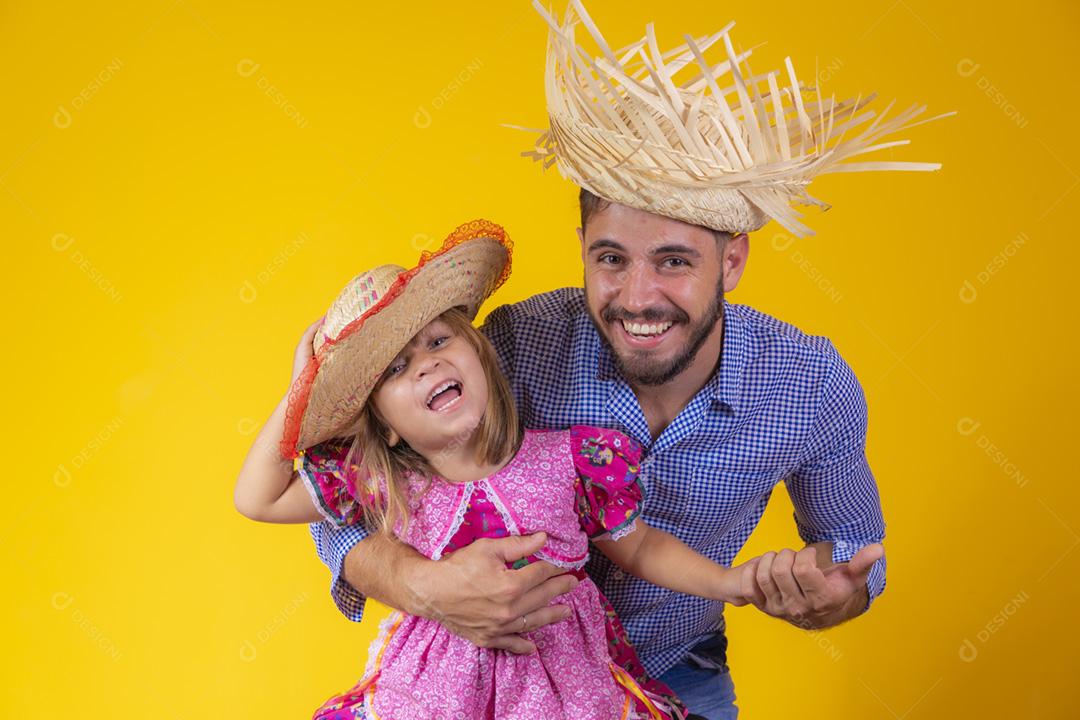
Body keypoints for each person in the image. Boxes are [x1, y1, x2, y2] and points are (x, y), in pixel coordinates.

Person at [308, 3, 951, 717]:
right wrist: (424, 588)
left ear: (732, 259)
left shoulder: (808, 383)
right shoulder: (512, 345)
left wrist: (833, 593)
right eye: (611, 259)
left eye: (673, 261)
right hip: (490, 683)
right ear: (583, 246)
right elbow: (341, 503)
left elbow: (854, 549)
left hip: (676, 672)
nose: (638, 297)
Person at [235, 219, 766, 719]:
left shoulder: (571, 460)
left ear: (481, 356)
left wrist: (730, 581)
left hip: (567, 694)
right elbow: (257, 499)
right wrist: (300, 395)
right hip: (436, 699)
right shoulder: (386, 481)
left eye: (439, 340)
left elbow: (642, 547)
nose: (427, 363)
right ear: (386, 425)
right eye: (396, 369)